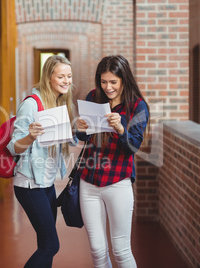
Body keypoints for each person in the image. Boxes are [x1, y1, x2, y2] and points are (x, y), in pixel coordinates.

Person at [75, 55, 150, 268]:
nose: (108, 87)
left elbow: (133, 147)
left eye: (113, 82)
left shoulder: (137, 106)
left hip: (118, 182)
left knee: (121, 250)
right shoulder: (93, 97)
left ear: (124, 79)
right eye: (103, 81)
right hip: (89, 181)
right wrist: (80, 129)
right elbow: (84, 138)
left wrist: (120, 129)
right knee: (97, 250)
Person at [7, 55, 77, 268]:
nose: (66, 81)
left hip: (47, 185)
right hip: (29, 185)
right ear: (48, 78)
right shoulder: (31, 104)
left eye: (69, 76)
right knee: (50, 245)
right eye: (61, 76)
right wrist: (30, 136)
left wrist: (76, 129)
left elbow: (61, 140)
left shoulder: (57, 102)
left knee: (44, 244)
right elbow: (13, 147)